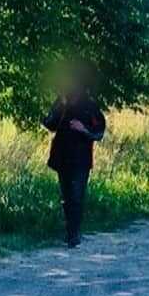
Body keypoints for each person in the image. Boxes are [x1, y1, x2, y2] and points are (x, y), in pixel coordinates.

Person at [42, 75, 106, 248]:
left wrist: (83, 129)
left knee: (76, 197)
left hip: (81, 160)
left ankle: (74, 234)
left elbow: (99, 133)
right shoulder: (62, 103)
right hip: (62, 157)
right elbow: (49, 124)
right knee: (66, 197)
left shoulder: (90, 106)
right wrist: (59, 106)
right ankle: (70, 231)